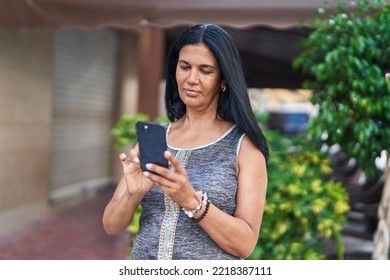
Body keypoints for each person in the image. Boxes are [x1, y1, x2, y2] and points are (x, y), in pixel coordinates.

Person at [102, 24, 268, 260]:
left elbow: (245, 245)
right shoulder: (155, 140)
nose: (191, 79)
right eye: (185, 67)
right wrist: (133, 194)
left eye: (205, 70)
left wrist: (191, 201)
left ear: (223, 79)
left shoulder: (244, 148)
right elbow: (111, 225)